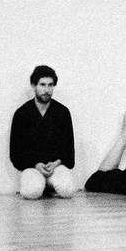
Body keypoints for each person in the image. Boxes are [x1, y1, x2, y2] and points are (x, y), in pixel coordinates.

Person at [9, 65, 76, 199]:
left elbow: (69, 152)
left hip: (56, 167)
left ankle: (50, 186)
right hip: (33, 167)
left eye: (50, 85)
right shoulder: (22, 114)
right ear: (34, 86)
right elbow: (15, 153)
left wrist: (56, 163)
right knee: (31, 192)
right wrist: (36, 164)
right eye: (42, 85)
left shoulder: (62, 112)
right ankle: (41, 186)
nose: (47, 90)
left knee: (68, 190)